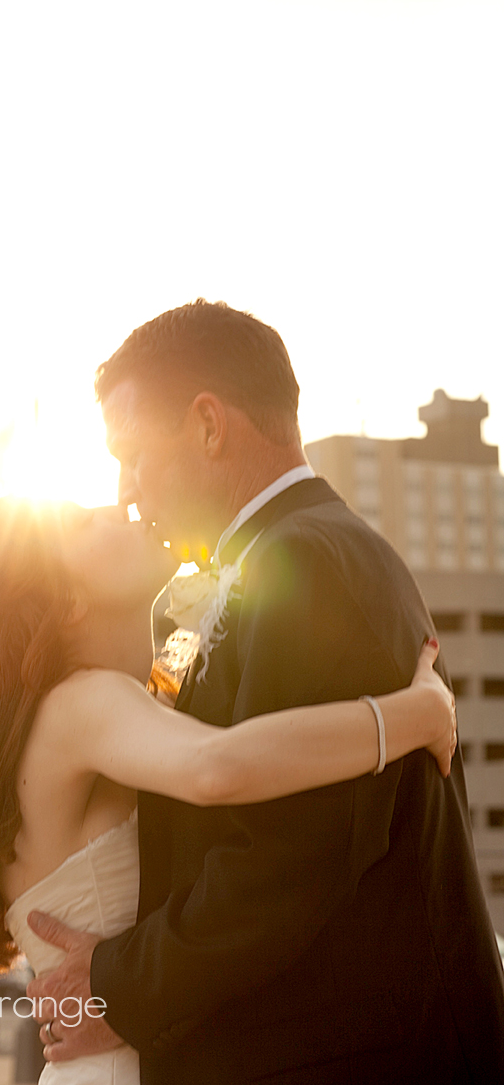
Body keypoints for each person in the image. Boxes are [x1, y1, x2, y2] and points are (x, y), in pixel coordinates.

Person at [28, 299, 504, 1084]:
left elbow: (285, 861)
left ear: (209, 426)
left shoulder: (311, 565)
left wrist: (116, 984)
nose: (126, 492)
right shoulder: (256, 566)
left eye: (132, 456)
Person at [0, 496, 454, 1085]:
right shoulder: (80, 704)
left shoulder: (55, 728)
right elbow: (217, 768)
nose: (113, 505)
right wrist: (415, 716)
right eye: (78, 522)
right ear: (66, 600)